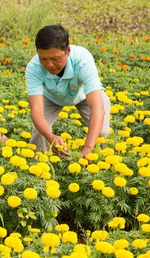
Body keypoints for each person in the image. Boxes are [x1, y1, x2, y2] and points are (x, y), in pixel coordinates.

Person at [25, 24, 111, 158]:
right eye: (43, 59)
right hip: (51, 96)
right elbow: (36, 111)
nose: (49, 65)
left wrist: (88, 147)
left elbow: (97, 108)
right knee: (39, 134)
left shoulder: (83, 59)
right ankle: (37, 168)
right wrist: (50, 137)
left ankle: (101, 164)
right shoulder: (34, 67)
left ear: (68, 51)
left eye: (55, 59)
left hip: (82, 95)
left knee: (102, 133)